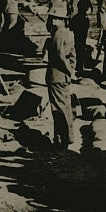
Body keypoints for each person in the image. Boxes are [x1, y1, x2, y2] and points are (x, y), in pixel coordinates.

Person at [43, 10, 77, 148]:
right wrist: (71, 70)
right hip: (63, 77)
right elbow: (73, 54)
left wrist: (68, 71)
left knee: (58, 108)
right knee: (66, 107)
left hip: (56, 76)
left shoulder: (58, 34)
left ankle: (62, 139)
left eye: (52, 19)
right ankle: (65, 137)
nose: (50, 21)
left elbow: (59, 55)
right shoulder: (68, 33)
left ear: (58, 20)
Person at [69, 0, 94, 76]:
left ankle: (78, 67)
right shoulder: (83, 19)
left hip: (77, 36)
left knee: (78, 50)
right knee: (80, 51)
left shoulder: (77, 17)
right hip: (81, 38)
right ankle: (79, 68)